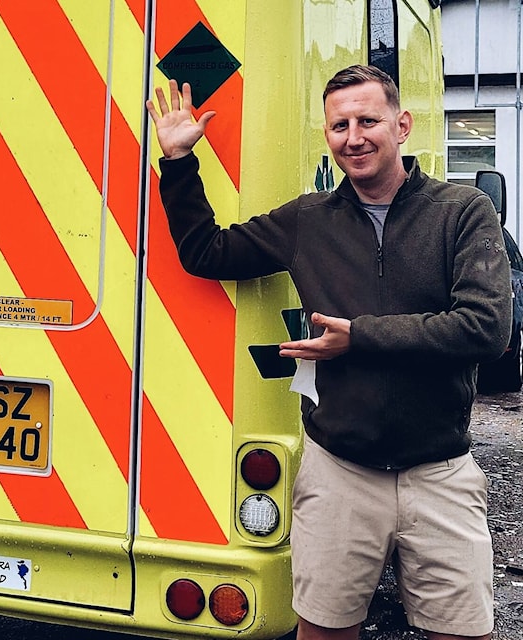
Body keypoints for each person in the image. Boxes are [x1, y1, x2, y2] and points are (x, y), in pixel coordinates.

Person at [146, 65, 510, 640]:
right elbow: (207, 253)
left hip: (439, 471)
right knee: (322, 632)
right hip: (339, 471)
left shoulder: (461, 212)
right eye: (340, 125)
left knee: (464, 632)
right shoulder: (308, 220)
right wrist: (177, 162)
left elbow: (487, 329)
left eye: (368, 120)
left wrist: (358, 337)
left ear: (402, 124)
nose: (354, 136)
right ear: (327, 136)